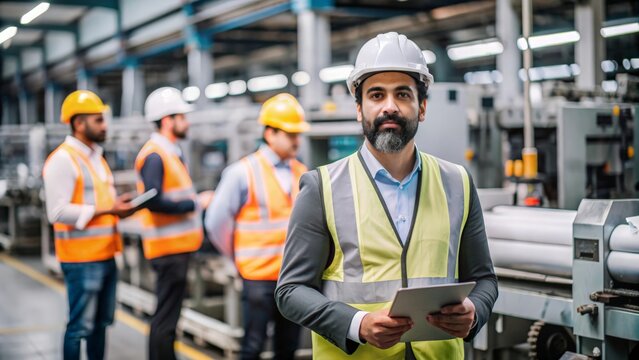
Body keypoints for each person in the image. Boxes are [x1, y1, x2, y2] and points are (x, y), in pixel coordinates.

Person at [275, 32, 498, 359]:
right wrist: (357, 324)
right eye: (376, 95)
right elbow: (290, 291)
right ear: (359, 109)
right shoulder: (321, 187)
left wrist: (475, 312)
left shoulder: (457, 183)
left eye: (403, 95)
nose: (389, 107)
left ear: (421, 108)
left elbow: (484, 280)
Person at [204, 93, 309, 360]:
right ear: (270, 133)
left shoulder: (302, 173)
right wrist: (237, 258)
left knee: (288, 348)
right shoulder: (242, 172)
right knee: (252, 346)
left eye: (298, 133)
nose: (297, 139)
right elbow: (216, 223)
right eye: (290, 133)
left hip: (293, 278)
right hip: (257, 278)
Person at [43, 90, 136, 360]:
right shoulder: (63, 159)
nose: (104, 125)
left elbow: (97, 202)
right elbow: (57, 212)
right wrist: (109, 209)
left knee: (100, 325)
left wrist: (118, 207)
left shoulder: (96, 158)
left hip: (106, 254)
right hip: (82, 259)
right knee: (79, 328)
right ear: (78, 123)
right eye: (98, 120)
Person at [134, 87, 213, 360]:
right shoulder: (156, 154)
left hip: (175, 248)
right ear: (167, 120)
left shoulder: (168, 151)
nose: (186, 122)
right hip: (168, 250)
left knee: (169, 316)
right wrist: (195, 204)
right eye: (182, 116)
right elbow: (152, 201)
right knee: (166, 318)